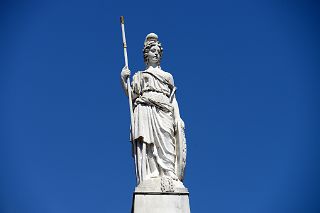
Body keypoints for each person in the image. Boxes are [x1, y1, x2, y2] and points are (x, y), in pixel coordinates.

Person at [121, 33, 185, 185]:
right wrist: (123, 80)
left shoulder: (168, 76)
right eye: (152, 50)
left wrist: (178, 118)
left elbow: (173, 99)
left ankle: (169, 174)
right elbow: (132, 96)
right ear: (146, 54)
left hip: (165, 111)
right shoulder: (139, 76)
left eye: (158, 51)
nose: (156, 53)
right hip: (145, 109)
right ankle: (151, 176)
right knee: (148, 143)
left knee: (167, 142)